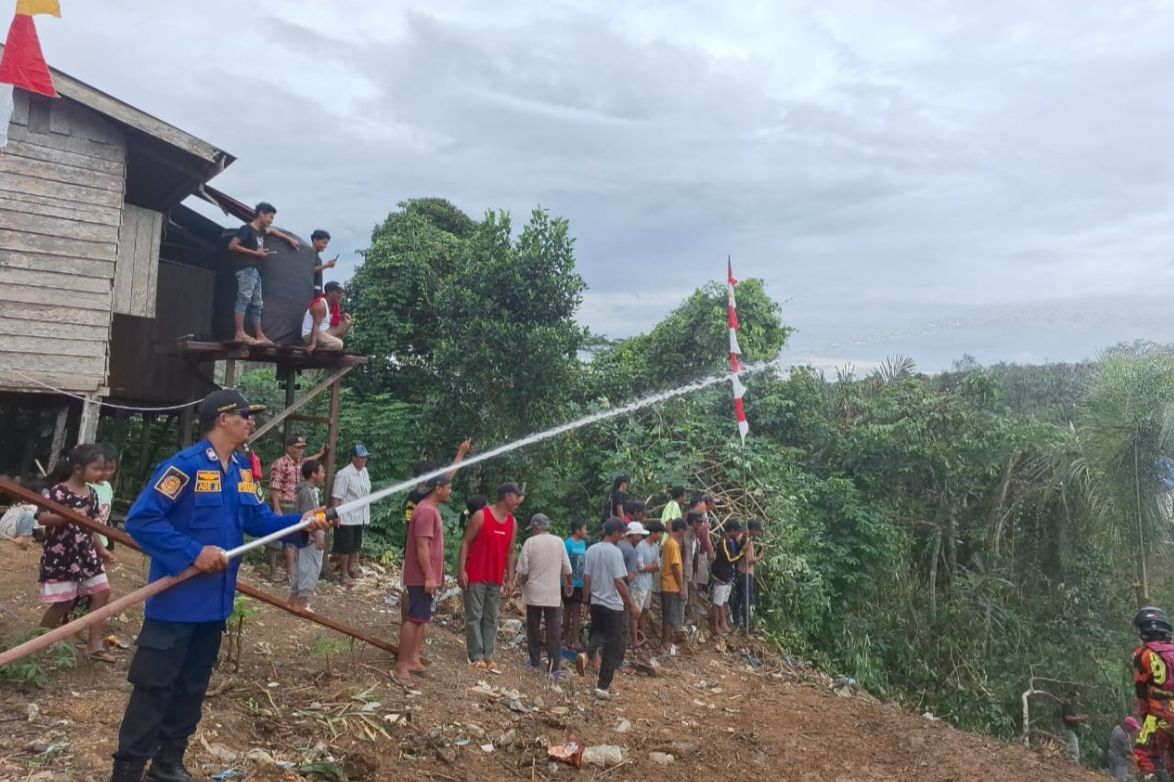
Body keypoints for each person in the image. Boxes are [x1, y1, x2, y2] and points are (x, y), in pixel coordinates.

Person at [110, 389, 332, 782]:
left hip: (214, 605)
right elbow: (142, 521)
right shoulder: (184, 467)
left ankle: (168, 763)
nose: (251, 421)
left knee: (192, 687)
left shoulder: (243, 470)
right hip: (176, 603)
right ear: (222, 419)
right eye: (245, 414)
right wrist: (194, 552)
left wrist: (303, 522)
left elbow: (259, 521)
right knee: (154, 688)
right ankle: (128, 770)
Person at [36, 444, 115, 662]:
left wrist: (102, 549)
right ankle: (36, 644)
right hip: (63, 555)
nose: (101, 473)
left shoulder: (92, 494)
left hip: (86, 553)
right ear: (79, 469)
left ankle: (94, 643)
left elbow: (91, 526)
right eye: (96, 468)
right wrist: (66, 516)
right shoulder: (58, 491)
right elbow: (42, 517)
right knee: (63, 603)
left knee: (102, 591)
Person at [395, 474, 452, 687]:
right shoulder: (426, 511)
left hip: (427, 575)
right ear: (438, 488)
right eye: (448, 487)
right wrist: (429, 575)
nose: (450, 491)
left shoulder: (430, 510)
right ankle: (401, 665)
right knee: (414, 618)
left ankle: (413, 659)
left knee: (422, 619)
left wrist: (437, 575)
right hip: (420, 576)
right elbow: (422, 547)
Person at [459, 482, 521, 672]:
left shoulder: (512, 522)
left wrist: (510, 578)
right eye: (516, 496)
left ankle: (489, 655)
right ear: (507, 497)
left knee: (491, 617)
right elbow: (466, 542)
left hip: (495, 577)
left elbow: (510, 552)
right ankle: (476, 654)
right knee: (474, 615)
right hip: (476, 573)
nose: (518, 500)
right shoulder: (481, 515)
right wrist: (462, 570)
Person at [227, 202, 299, 345]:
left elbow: (272, 231)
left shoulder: (261, 231)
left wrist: (288, 239)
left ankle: (260, 335)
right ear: (261, 214)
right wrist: (256, 253)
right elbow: (232, 246)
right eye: (270, 217)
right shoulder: (247, 229)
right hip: (246, 268)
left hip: (256, 271)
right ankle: (240, 333)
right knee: (244, 299)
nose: (271, 221)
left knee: (257, 304)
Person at [577, 518, 634, 700]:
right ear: (615, 532)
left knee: (598, 633)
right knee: (611, 646)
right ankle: (603, 686)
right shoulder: (615, 553)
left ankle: (586, 655)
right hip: (612, 605)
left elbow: (587, 579)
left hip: (596, 602)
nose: (623, 536)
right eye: (621, 532)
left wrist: (586, 601)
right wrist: (631, 603)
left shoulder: (591, 550)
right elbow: (619, 582)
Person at [516, 513, 572, 678]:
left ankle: (534, 661)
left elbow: (523, 570)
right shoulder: (559, 542)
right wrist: (568, 584)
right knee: (553, 629)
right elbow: (567, 569)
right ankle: (554, 667)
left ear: (535, 527)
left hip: (534, 592)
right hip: (552, 593)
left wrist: (524, 583)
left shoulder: (530, 542)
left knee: (533, 627)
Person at [267, 435, 324, 582]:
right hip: (283, 503)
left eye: (303, 447)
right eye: (298, 447)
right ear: (289, 447)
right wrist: (277, 508)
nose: (301, 450)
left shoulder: (300, 462)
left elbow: (308, 460)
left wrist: (319, 454)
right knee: (276, 539)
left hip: (296, 505)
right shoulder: (280, 463)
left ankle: (290, 573)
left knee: (292, 540)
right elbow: (274, 486)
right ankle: (273, 571)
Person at [1132, 606, 1174, 778]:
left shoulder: (1142, 654)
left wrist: (1145, 719)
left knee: (1144, 755)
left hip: (1160, 714)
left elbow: (1141, 693)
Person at [331, 445, 372, 586]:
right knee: (345, 546)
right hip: (346, 515)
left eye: (365, 458)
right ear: (354, 458)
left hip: (360, 515)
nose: (364, 460)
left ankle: (351, 568)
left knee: (356, 544)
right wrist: (336, 515)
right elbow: (336, 496)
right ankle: (343, 573)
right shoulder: (344, 474)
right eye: (361, 458)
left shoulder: (364, 472)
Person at [289, 460, 326, 612]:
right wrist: (318, 536)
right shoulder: (309, 493)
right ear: (313, 475)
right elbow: (311, 518)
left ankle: (292, 601)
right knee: (309, 568)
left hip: (305, 536)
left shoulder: (305, 490)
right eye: (322, 471)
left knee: (301, 567)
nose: (324, 475)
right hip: (310, 537)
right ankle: (302, 603)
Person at [632, 520, 664, 648]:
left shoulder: (656, 547)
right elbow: (641, 567)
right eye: (660, 533)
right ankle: (634, 639)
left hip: (648, 584)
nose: (661, 536)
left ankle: (642, 636)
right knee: (636, 613)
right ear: (653, 533)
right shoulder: (640, 546)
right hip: (639, 584)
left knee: (644, 611)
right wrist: (650, 567)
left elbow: (657, 566)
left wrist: (649, 567)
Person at [618, 520, 649, 649]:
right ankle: (619, 651)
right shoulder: (631, 551)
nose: (641, 538)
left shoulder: (617, 545)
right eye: (639, 535)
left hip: (609, 590)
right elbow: (629, 577)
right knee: (623, 623)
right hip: (623, 590)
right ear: (633, 535)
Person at [710, 521, 744, 635]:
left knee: (724, 602)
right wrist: (742, 554)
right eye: (737, 531)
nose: (738, 534)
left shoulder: (731, 541)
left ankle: (723, 623)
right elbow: (729, 558)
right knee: (717, 603)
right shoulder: (723, 542)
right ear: (732, 531)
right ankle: (715, 626)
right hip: (721, 576)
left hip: (728, 576)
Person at [732, 519, 765, 633]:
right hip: (746, 573)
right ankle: (747, 625)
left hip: (741, 572)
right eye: (758, 531)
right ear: (753, 530)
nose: (759, 534)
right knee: (747, 599)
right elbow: (749, 561)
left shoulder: (743, 538)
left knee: (739, 597)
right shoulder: (747, 540)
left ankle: (737, 620)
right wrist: (759, 558)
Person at [303, 281, 354, 353]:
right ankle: (317, 344)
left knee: (346, 321)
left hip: (324, 332)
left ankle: (329, 342)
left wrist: (342, 317)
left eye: (341, 293)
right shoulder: (321, 305)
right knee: (339, 344)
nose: (340, 295)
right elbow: (316, 325)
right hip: (312, 334)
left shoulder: (334, 305)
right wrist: (313, 344)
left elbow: (330, 320)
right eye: (338, 293)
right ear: (330, 293)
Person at [660, 518, 687, 653]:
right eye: (684, 531)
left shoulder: (667, 543)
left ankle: (666, 642)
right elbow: (675, 566)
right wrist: (681, 587)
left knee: (667, 615)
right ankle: (666, 643)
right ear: (680, 530)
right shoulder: (674, 544)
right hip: (671, 585)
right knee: (670, 617)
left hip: (666, 584)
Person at [562, 518, 588, 651]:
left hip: (579, 583)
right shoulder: (567, 544)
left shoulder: (583, 544)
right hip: (568, 582)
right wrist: (566, 582)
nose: (586, 531)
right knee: (567, 609)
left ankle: (575, 638)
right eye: (584, 528)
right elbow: (564, 563)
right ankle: (565, 636)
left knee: (577, 610)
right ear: (577, 530)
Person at [682, 510, 713, 622]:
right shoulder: (685, 535)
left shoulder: (696, 535)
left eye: (702, 523)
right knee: (683, 598)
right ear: (691, 522)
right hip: (683, 573)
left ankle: (687, 620)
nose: (700, 525)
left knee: (691, 596)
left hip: (691, 572)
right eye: (698, 522)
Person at [89, 442, 119, 551]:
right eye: (104, 468)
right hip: (86, 540)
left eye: (112, 468)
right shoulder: (87, 487)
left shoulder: (107, 487)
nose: (108, 472)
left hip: (102, 541)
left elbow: (106, 517)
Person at [1060, 688, 1089, 763]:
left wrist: (1082, 719)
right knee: (1074, 752)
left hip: (1074, 729)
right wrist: (1081, 717)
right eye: (1077, 697)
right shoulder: (1067, 704)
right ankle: (1073, 767)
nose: (1078, 699)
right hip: (1070, 729)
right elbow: (1067, 717)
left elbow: (1073, 717)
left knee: (1073, 749)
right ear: (1072, 697)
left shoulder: (1072, 706)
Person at [1108, 715, 1140, 781]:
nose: (1134, 730)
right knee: (1121, 779)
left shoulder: (1117, 728)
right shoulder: (1123, 736)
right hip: (1119, 759)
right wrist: (1135, 759)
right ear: (1128, 726)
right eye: (1133, 727)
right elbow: (1127, 752)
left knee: (1112, 777)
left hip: (1111, 754)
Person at [310, 229, 337, 294]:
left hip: (317, 293)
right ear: (315, 240)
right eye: (324, 243)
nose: (325, 246)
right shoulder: (308, 254)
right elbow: (309, 270)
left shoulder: (318, 258)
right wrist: (326, 265)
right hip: (310, 293)